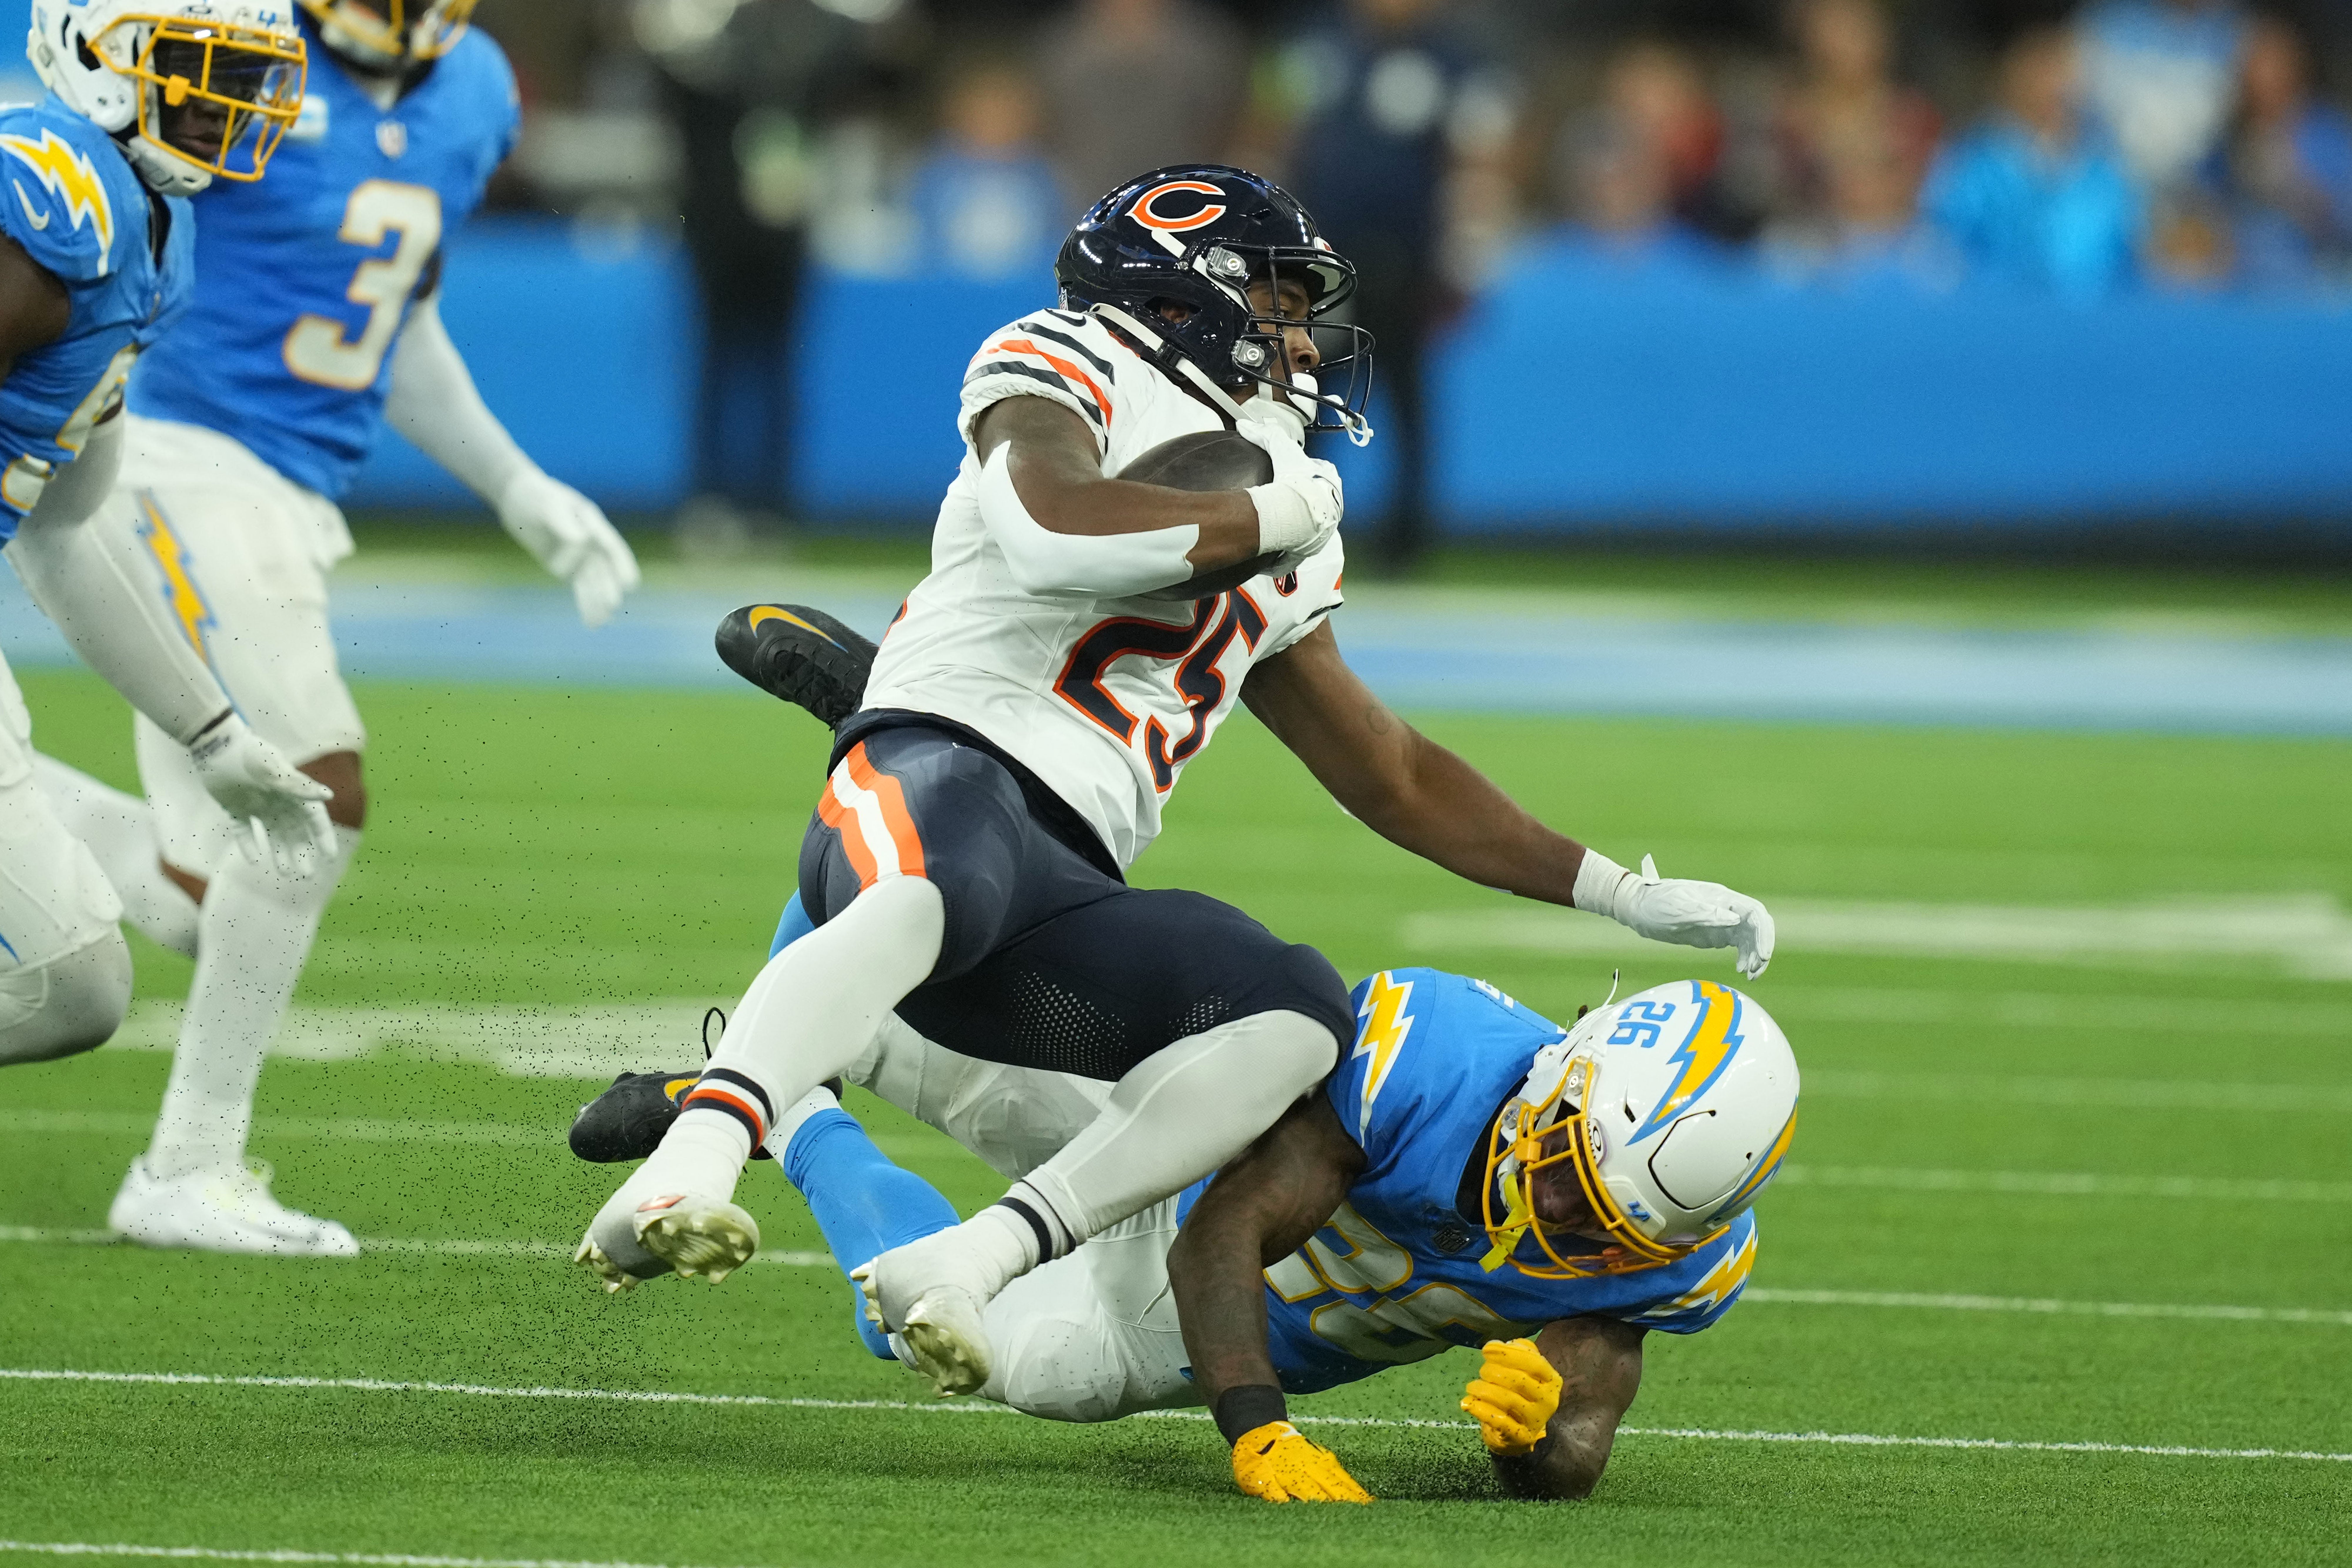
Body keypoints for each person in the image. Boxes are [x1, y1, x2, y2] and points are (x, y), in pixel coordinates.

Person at [581, 172, 1775, 1402]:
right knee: (933, 879)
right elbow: (1055, 533)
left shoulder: (1283, 485)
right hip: (956, 763)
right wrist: (1270, 509)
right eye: (1279, 298)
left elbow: (1391, 769)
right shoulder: (1065, 358)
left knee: (1294, 1017)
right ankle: (699, 1147)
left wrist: (1614, 894)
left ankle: (933, 1217)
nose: (1303, 338)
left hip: (1060, 881)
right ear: (1182, 280)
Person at [32, 0, 640, 1257]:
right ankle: (185, 1165)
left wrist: (518, 487)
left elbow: (393, 315)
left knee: (223, 901)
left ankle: (15, 797)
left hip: (296, 492)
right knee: (319, 787)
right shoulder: (222, 48)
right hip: (177, 455)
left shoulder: (472, 88)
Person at [571, 966, 1798, 1504]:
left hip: (1169, 1326)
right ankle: (899, 778)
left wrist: (1540, 1438)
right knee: (945, 1038)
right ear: (1564, 1076)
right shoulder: (1438, 1067)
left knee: (949, 1332)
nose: (1567, 1223)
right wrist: (1256, 1428)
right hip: (1204, 1174)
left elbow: (1583, 1428)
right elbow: (1222, 1229)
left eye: (1607, 1226)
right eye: (1570, 1179)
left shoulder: (1672, 1257)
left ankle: (789, 1115)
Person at [0, 0, 331, 1070]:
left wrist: (213, 734)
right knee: (65, 981)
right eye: (197, 68)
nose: (226, 103)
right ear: (97, 55)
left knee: (71, 987)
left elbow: (62, 527)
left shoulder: (149, 229)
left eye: (242, 75)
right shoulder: (57, 190)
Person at [1920, 25, 2142, 299]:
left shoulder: (2105, 172)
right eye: (2039, 72)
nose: (2052, 86)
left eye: (2060, 72)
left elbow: (2127, 254)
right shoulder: (1975, 163)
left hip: (2089, 320)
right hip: (1998, 315)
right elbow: (1945, 245)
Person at [2224, 13, 2352, 289]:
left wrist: (2293, 186)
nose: (2261, 82)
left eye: (2271, 69)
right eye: (2252, 70)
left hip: (2313, 284)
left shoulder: (2329, 136)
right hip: (2240, 285)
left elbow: (2343, 218)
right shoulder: (2230, 136)